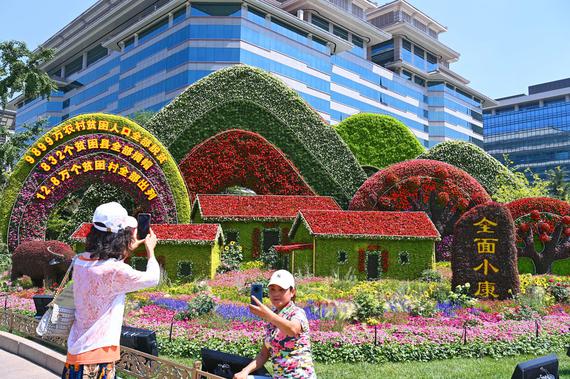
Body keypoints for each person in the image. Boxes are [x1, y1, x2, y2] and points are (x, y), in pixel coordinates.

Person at [62, 202, 160, 379]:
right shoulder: (114, 271)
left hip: (76, 352)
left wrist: (126, 251)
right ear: (120, 236)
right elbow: (152, 278)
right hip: (98, 356)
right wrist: (150, 251)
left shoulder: (80, 262)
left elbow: (104, 266)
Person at [234, 270, 316, 379]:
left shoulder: (297, 312)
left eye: (281, 290)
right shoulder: (273, 318)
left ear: (292, 292)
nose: (276, 294)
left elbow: (293, 330)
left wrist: (268, 315)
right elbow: (263, 354)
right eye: (272, 289)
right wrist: (244, 371)